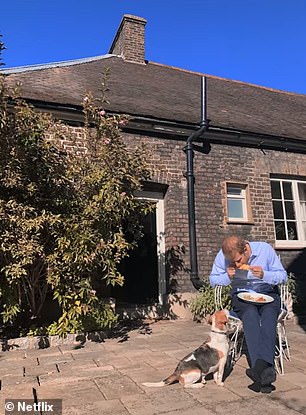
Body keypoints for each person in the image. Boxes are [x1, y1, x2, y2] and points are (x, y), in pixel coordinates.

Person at [209, 235, 287, 393]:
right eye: (233, 262)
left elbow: (282, 276)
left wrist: (265, 275)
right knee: (250, 315)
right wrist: (228, 276)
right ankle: (265, 370)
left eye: (238, 260)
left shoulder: (264, 249)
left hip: (268, 293)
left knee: (269, 316)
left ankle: (259, 368)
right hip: (242, 296)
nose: (237, 264)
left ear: (245, 249)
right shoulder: (223, 255)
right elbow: (213, 279)